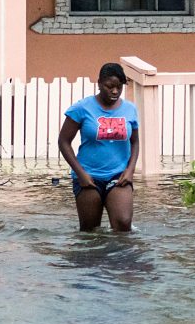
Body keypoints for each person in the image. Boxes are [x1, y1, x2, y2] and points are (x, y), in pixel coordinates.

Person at [58, 62, 139, 232]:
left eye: (119, 87)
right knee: (90, 231)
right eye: (110, 86)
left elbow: (135, 142)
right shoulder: (81, 108)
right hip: (89, 176)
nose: (115, 91)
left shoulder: (130, 109)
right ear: (99, 83)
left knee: (123, 224)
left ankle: (121, 259)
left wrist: (130, 170)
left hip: (119, 175)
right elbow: (63, 141)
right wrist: (80, 174)